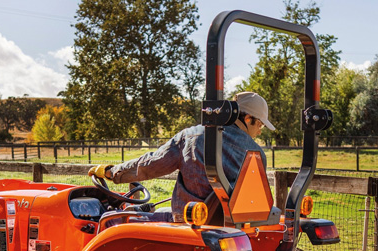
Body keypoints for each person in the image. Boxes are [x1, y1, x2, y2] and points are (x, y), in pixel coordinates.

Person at [87, 91, 275, 218]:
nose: (259, 131)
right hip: (232, 228)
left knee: (117, 220)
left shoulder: (192, 136)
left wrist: (114, 172)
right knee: (159, 210)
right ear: (248, 118)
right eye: (259, 125)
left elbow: (151, 164)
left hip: (190, 223)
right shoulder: (257, 155)